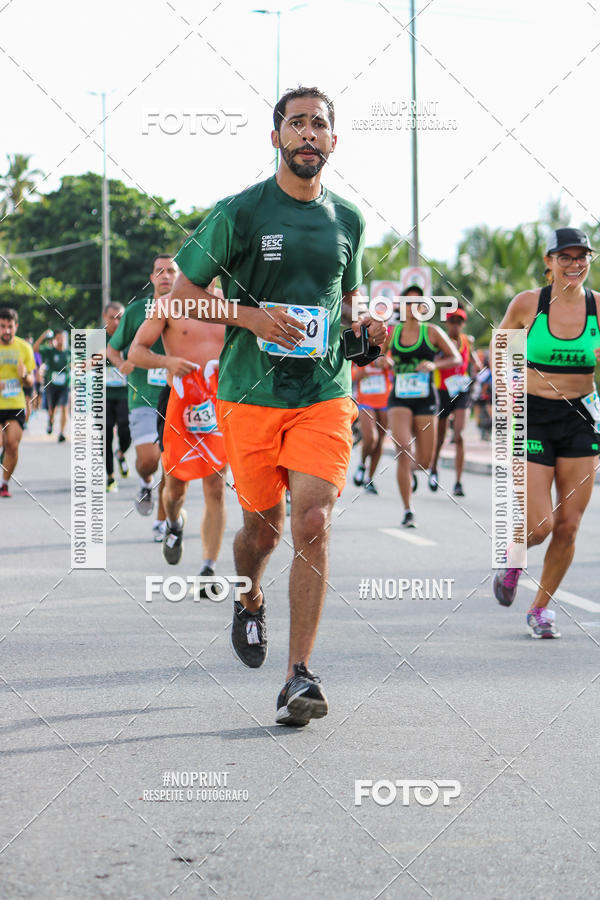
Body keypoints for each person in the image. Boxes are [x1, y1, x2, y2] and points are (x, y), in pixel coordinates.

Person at [170, 85, 386, 726]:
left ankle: (298, 676)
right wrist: (250, 318)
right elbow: (179, 299)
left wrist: (363, 335)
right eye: (296, 124)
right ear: (276, 138)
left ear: (333, 141)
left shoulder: (348, 220)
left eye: (319, 125)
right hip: (249, 395)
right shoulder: (238, 213)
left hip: (323, 394)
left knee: (313, 522)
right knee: (259, 533)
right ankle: (249, 596)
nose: (308, 135)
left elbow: (342, 307)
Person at [493, 228, 600, 638]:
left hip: (581, 419)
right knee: (541, 526)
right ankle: (514, 555)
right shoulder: (528, 304)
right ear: (549, 261)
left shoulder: (597, 307)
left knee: (569, 525)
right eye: (566, 257)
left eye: (581, 257)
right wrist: (505, 401)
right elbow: (501, 352)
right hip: (532, 417)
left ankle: (540, 609)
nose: (574, 265)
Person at [128, 281, 227, 582]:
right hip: (178, 401)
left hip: (219, 401)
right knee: (175, 489)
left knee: (216, 486)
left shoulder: (232, 304)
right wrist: (166, 360)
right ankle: (174, 524)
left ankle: (208, 565)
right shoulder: (168, 304)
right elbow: (136, 351)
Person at [107, 255, 176, 540]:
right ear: (151, 278)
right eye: (159, 271)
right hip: (143, 398)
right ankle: (145, 482)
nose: (165, 276)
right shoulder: (137, 311)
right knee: (149, 460)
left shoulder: (192, 308)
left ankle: (163, 522)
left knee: (171, 465)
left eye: (171, 271)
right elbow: (113, 348)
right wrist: (121, 363)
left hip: (180, 397)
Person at [382, 287, 461, 527]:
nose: (412, 308)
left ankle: (410, 472)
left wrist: (434, 366)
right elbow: (378, 356)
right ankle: (408, 509)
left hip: (426, 399)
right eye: (408, 303)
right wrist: (384, 360)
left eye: (418, 304)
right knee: (404, 449)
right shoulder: (392, 333)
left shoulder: (433, 332)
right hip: (400, 398)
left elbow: (455, 357)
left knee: (425, 461)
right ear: (401, 307)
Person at [428, 303, 481, 496]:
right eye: (452, 321)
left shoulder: (468, 341)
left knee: (459, 435)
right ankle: (433, 468)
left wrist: (476, 369)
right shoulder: (440, 341)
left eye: (459, 321)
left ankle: (458, 482)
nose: (455, 325)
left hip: (462, 392)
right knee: (440, 436)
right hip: (442, 392)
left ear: (463, 324)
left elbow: (474, 362)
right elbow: (432, 362)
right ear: (447, 323)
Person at [0, 307, 35, 497]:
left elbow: (31, 379)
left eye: (9, 327)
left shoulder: (24, 348)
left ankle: (3, 484)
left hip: (15, 403)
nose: (6, 330)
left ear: (16, 327)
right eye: (2, 326)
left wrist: (24, 376)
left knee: (12, 444)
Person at [352, 356, 392, 494]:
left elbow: (395, 371)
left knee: (380, 441)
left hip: (385, 401)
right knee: (371, 438)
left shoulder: (387, 350)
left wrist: (390, 365)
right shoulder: (361, 346)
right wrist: (361, 373)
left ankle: (369, 479)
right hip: (365, 401)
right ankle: (362, 464)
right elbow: (349, 373)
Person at [102, 302, 131, 492]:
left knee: (125, 432)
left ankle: (121, 453)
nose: (116, 321)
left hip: (125, 395)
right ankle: (110, 477)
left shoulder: (130, 340)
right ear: (105, 318)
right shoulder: (97, 340)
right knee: (104, 437)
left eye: (120, 317)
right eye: (112, 317)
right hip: (102, 396)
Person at [34, 329, 70, 442]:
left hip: (64, 385)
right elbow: (35, 349)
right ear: (54, 339)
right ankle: (50, 421)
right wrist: (43, 335)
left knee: (64, 407)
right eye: (58, 338)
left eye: (62, 338)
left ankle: (62, 432)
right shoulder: (49, 351)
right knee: (51, 409)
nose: (60, 340)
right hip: (51, 385)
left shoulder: (69, 353)